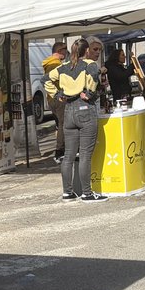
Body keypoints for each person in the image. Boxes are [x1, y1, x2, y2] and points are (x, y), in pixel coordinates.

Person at [44, 38, 106, 203]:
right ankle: (87, 193)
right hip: (84, 108)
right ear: (86, 51)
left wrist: (58, 95)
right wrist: (91, 93)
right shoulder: (89, 64)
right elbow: (94, 80)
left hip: (68, 109)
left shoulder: (63, 67)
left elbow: (46, 80)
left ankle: (67, 192)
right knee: (85, 154)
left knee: (68, 155)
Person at [42, 41, 68, 163]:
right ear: (59, 51)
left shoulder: (50, 63)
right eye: (65, 49)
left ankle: (61, 149)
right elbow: (49, 81)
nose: (66, 52)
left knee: (60, 124)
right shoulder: (54, 65)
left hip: (52, 99)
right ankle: (60, 151)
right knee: (63, 124)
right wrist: (58, 95)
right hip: (58, 99)